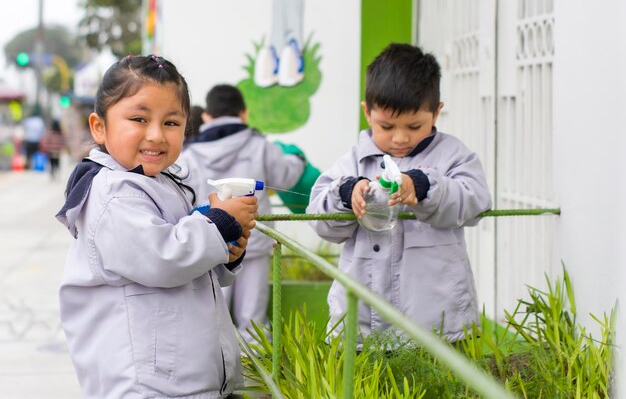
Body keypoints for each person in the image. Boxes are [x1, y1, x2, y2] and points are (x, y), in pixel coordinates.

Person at [55, 55, 258, 399]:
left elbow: (193, 268)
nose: (156, 135)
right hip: (145, 384)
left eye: (171, 123)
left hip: (179, 378)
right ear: (99, 127)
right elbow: (163, 258)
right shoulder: (111, 193)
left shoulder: (162, 183)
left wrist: (227, 251)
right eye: (138, 118)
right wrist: (218, 222)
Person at [306, 43, 492, 343]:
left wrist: (423, 186)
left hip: (436, 320)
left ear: (436, 112)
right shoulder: (352, 162)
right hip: (361, 321)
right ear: (368, 113)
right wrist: (346, 194)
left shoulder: (453, 156)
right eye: (387, 126)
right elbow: (318, 218)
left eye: (415, 125)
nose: (401, 137)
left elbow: (476, 200)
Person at [180, 84, 306, 342]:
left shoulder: (189, 153)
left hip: (211, 242)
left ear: (206, 116)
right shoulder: (259, 145)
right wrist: (297, 158)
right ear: (244, 114)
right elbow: (286, 175)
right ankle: (256, 377)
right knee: (253, 321)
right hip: (254, 241)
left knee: (213, 316)